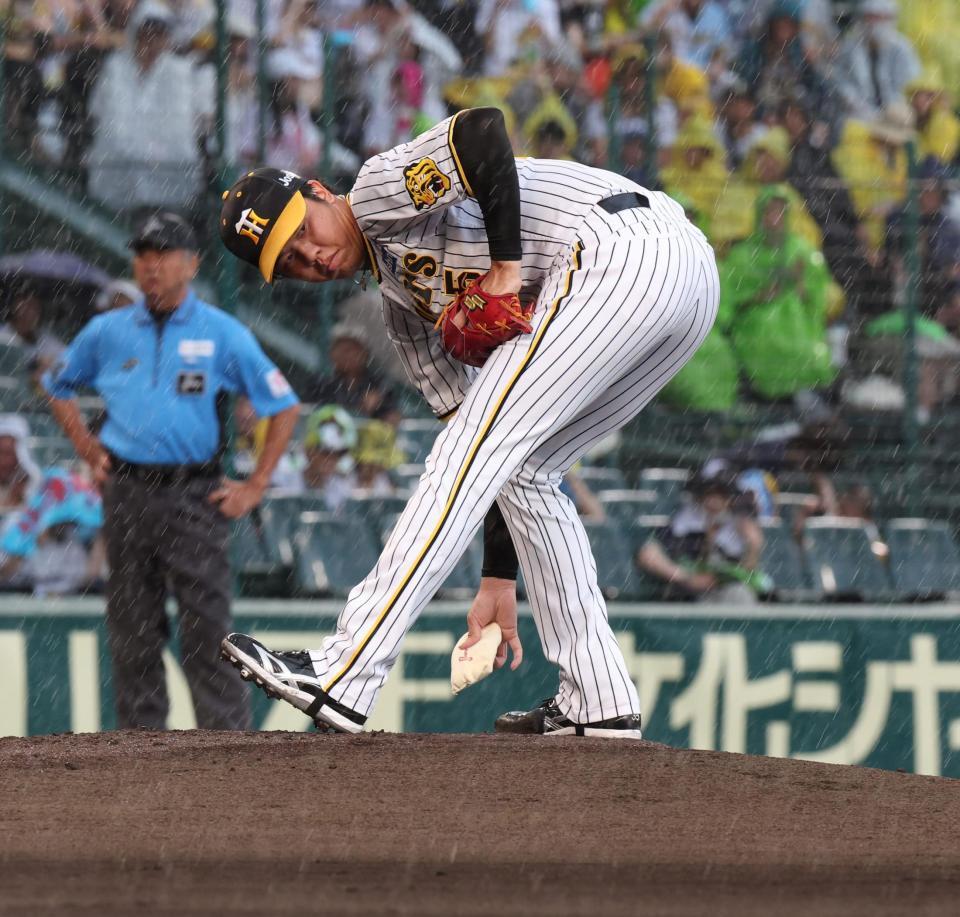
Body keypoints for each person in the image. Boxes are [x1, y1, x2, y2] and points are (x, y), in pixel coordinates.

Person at [217, 107, 719, 739]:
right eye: (288, 261)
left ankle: (344, 669)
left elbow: (482, 130)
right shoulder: (406, 320)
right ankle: (598, 696)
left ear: (317, 191)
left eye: (302, 231)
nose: (311, 256)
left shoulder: (372, 194)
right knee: (527, 471)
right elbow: (492, 461)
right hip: (676, 284)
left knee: (462, 455)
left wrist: (505, 265)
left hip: (624, 248)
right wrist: (498, 574)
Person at [42, 211, 300, 731]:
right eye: (143, 255)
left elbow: (284, 404)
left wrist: (255, 485)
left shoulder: (220, 331)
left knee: (209, 631)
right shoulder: (108, 330)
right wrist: (88, 448)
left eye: (163, 254)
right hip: (127, 491)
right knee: (132, 628)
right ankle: (143, 750)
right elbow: (57, 385)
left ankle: (226, 747)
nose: (151, 266)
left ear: (191, 264)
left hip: (194, 495)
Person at [636, 471, 765, 604]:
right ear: (699, 497)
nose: (715, 502)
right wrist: (686, 578)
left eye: (722, 495)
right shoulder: (682, 527)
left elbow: (747, 572)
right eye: (709, 494)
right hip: (688, 598)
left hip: (729, 595)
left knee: (740, 593)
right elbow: (648, 555)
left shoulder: (737, 529)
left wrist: (753, 546)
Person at [836, 0, 920, 120]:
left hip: (894, 118)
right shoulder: (849, 47)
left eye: (882, 18)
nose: (875, 24)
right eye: (872, 17)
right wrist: (868, 112)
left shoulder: (902, 49)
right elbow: (842, 85)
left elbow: (910, 84)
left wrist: (892, 108)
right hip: (858, 117)